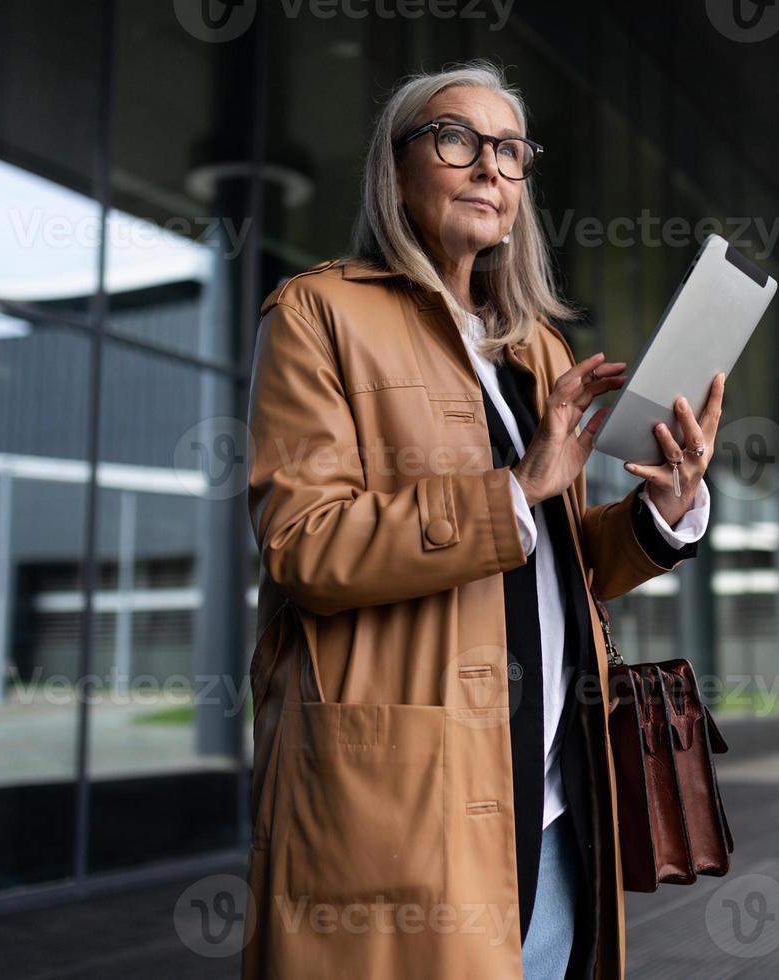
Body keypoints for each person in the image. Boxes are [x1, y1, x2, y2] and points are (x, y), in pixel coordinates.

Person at [241, 60, 725, 979]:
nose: (489, 169)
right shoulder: (318, 314)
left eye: (510, 152)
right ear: (398, 167)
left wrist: (665, 506)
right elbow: (305, 546)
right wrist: (515, 486)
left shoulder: (533, 349)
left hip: (553, 804)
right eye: (456, 140)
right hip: (407, 807)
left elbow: (555, 564)